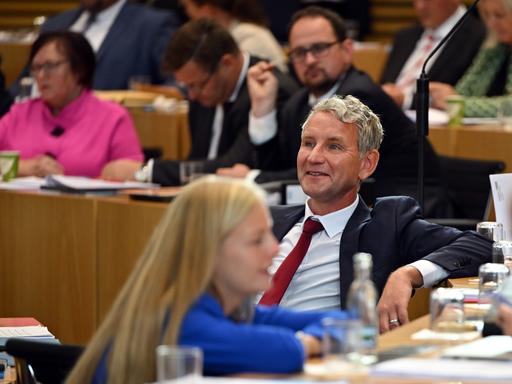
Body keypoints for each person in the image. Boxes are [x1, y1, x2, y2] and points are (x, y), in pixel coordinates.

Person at [66, 176, 349, 383]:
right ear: (209, 252)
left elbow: (345, 323)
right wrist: (308, 343)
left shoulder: (230, 310)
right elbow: (284, 351)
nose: (274, 248)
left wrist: (306, 340)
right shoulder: (177, 320)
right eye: (256, 240)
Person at [258, 95, 491, 334]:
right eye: (308, 143)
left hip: (310, 355)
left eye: (334, 146)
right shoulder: (267, 218)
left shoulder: (387, 224)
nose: (314, 157)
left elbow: (483, 246)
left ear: (366, 164)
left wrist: (407, 274)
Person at [219, 6, 443, 214]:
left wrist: (253, 177)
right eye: (299, 52)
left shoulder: (359, 97)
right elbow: (284, 166)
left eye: (319, 49)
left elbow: (323, 165)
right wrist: (262, 110)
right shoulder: (297, 103)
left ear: (347, 49)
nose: (309, 60)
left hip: (405, 213)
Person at [133, 19, 298, 186]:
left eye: (199, 85)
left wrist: (149, 171)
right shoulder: (204, 94)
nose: (192, 95)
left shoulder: (268, 89)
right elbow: (197, 160)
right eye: (187, 87)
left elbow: (234, 166)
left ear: (227, 63)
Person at [0, 31, 143, 179]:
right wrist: (25, 167)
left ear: (79, 69)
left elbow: (134, 175)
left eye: (51, 66)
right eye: (36, 68)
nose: (42, 76)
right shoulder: (20, 113)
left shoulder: (113, 117)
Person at [13, 0, 179, 93]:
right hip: (44, 130)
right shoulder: (54, 25)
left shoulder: (152, 25)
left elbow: (177, 87)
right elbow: (22, 86)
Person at [381, 0, 485, 109]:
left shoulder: (481, 38)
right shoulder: (404, 36)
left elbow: (459, 97)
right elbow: (385, 84)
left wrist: (405, 100)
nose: (420, 6)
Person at [430, 0, 512, 117]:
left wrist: (459, 104)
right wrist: (444, 96)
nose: (490, 23)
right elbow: (463, 93)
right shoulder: (494, 48)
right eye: (487, 15)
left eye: (499, 15)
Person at [180, 0, 288, 73]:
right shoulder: (235, 33)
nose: (187, 13)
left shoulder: (249, 38)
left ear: (208, 9)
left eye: (187, 6)